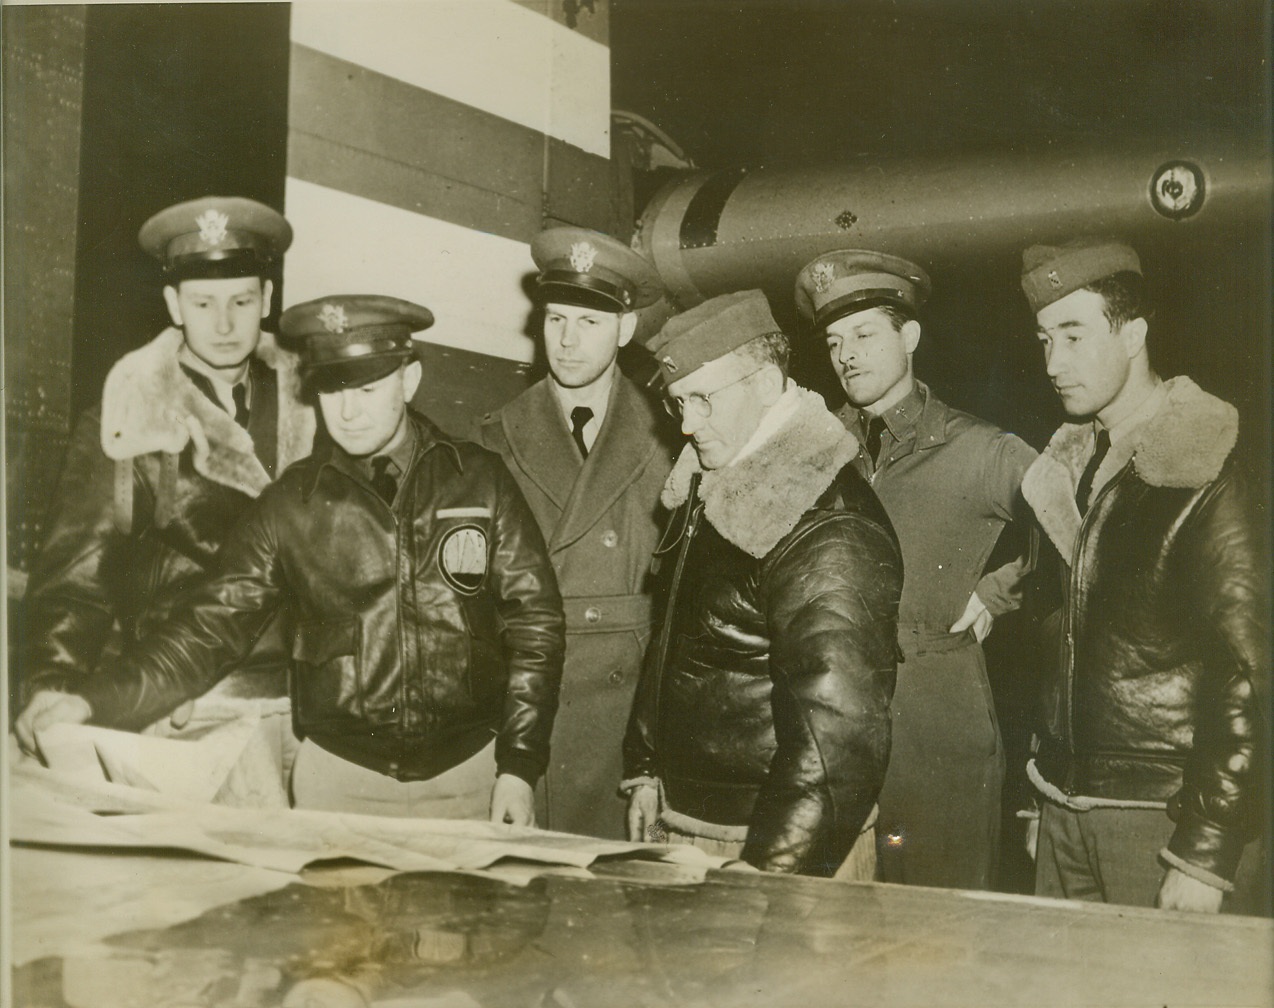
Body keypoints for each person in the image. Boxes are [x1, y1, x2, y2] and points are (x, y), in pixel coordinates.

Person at [17, 295, 566, 824]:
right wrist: (91, 701)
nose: (347, 413)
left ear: (409, 379)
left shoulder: (480, 479)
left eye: (368, 388)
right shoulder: (290, 503)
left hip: (472, 774)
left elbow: (536, 625)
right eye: (332, 390)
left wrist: (518, 766)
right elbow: (210, 628)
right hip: (339, 784)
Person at [1019, 237, 1268, 912]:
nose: (1053, 362)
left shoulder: (1208, 467)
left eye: (1074, 335)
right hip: (1065, 812)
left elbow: (1248, 672)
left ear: (1133, 333)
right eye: (1044, 339)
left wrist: (1208, 849)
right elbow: (1062, 648)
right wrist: (1046, 793)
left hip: (1160, 821)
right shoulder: (1072, 469)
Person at [622, 289, 903, 877]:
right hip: (696, 824)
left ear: (767, 381)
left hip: (776, 846)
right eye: (678, 403)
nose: (688, 425)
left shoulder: (825, 521)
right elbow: (674, 635)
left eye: (703, 398)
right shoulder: (713, 481)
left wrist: (770, 871)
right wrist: (647, 767)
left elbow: (837, 737)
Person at [19, 196, 314, 748]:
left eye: (242, 301)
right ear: (173, 305)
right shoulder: (128, 417)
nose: (224, 324)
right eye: (203, 304)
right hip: (185, 708)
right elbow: (76, 584)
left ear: (268, 299)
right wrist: (51, 689)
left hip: (310, 712)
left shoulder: (317, 406)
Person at [793, 250, 1039, 890]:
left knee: (942, 927)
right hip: (833, 716)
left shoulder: (980, 448)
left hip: (938, 721)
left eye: (865, 333)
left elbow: (1086, 521)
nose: (846, 354)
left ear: (910, 336)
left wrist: (1000, 589)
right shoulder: (818, 449)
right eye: (835, 340)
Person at [477, 226, 675, 839]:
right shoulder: (493, 438)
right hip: (531, 702)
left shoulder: (674, 433)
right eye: (555, 319)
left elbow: (683, 608)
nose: (566, 341)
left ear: (626, 328)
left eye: (589, 323)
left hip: (631, 709)